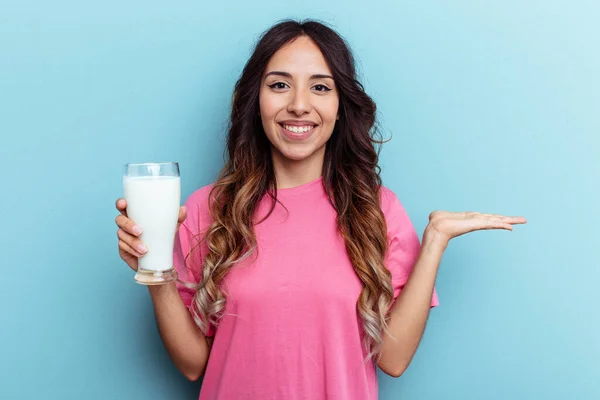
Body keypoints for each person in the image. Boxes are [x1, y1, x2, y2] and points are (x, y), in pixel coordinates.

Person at [114, 19, 526, 400]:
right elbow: (192, 365)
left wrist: (434, 241)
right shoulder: (207, 208)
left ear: (340, 105)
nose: (298, 105)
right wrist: (156, 270)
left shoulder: (377, 211)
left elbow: (394, 360)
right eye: (279, 85)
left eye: (320, 87)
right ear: (255, 99)